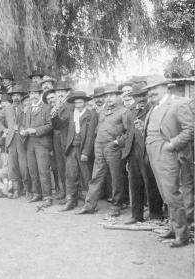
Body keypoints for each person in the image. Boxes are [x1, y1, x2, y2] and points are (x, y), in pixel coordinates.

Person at [143, 75, 194, 248]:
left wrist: (171, 145)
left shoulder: (179, 103)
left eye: (155, 88)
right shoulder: (154, 106)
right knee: (165, 194)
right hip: (153, 154)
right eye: (149, 89)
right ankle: (174, 228)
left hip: (168, 154)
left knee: (172, 194)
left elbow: (190, 130)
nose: (151, 92)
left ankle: (182, 234)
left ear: (166, 87)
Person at [76, 85, 133, 217]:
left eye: (112, 95)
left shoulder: (124, 112)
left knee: (115, 177)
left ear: (118, 96)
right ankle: (89, 205)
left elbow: (129, 132)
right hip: (99, 147)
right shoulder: (101, 111)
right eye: (107, 96)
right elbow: (96, 129)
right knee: (96, 176)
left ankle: (116, 205)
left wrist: (117, 142)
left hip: (113, 148)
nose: (109, 98)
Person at [122, 84, 164, 224]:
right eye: (136, 96)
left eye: (142, 95)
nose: (139, 98)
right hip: (133, 152)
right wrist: (127, 152)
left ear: (147, 96)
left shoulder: (153, 109)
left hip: (147, 150)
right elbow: (128, 132)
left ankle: (156, 215)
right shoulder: (130, 111)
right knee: (135, 183)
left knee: (151, 182)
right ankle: (136, 215)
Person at [59, 91, 98, 211]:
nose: (78, 104)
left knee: (86, 176)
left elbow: (91, 135)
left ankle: (90, 203)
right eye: (76, 102)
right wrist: (55, 115)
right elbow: (59, 124)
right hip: (71, 148)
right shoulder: (70, 114)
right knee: (71, 175)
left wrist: (86, 152)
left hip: (83, 149)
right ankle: (71, 201)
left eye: (80, 102)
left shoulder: (91, 114)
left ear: (85, 102)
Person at [0, 85, 30, 199]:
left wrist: (24, 129)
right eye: (14, 95)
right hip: (11, 140)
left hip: (22, 139)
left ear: (21, 97)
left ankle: (28, 189)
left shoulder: (26, 107)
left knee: (24, 166)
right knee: (12, 166)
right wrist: (4, 129)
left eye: (18, 95)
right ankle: (16, 190)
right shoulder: (7, 108)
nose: (16, 97)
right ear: (11, 97)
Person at [21, 83, 53, 207]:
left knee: (43, 170)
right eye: (31, 93)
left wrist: (35, 130)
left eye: (35, 93)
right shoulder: (28, 109)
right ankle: (37, 194)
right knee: (33, 170)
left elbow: (50, 125)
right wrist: (24, 130)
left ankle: (47, 196)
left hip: (42, 143)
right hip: (29, 143)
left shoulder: (46, 107)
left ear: (40, 94)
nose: (33, 96)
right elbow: (24, 124)